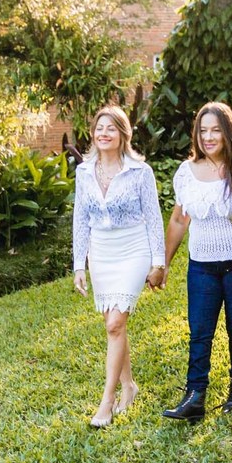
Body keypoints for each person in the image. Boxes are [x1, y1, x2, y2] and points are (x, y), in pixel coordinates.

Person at [161, 102, 232, 422]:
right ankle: (195, 395)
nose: (208, 137)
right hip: (202, 266)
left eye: (215, 130)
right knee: (200, 330)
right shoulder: (187, 172)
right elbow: (178, 221)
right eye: (203, 131)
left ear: (228, 132)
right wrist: (163, 264)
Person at [72, 105, 167, 428]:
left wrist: (158, 262)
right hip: (101, 252)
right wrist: (79, 265)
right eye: (99, 128)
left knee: (115, 323)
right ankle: (129, 386)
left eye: (111, 128)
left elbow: (154, 218)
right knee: (114, 327)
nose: (104, 133)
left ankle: (106, 401)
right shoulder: (84, 172)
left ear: (123, 134)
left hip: (133, 248)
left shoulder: (140, 172)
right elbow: (80, 219)